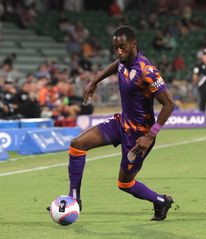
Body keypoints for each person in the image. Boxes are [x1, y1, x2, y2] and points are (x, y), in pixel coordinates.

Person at [47, 26, 176, 221]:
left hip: (139, 137)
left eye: (122, 47)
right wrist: (95, 80)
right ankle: (74, 200)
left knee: (125, 184)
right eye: (115, 47)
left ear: (134, 44)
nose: (118, 52)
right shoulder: (123, 60)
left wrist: (151, 135)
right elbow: (117, 64)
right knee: (77, 145)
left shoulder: (147, 71)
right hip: (121, 124)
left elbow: (169, 104)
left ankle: (161, 201)